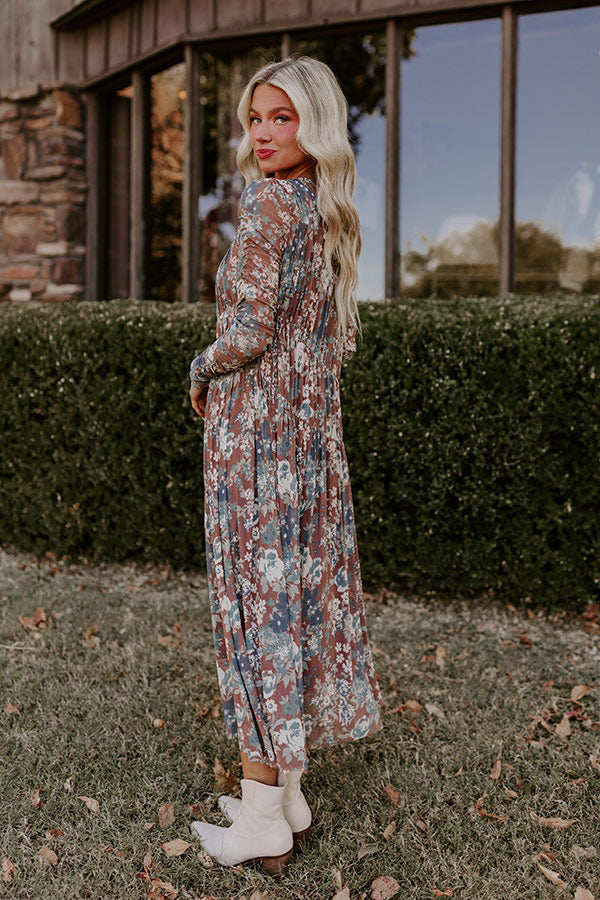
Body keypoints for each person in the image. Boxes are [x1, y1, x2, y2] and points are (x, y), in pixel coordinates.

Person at [188, 55, 383, 876]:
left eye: (283, 117)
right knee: (291, 601)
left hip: (256, 435)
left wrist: (200, 366)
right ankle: (287, 794)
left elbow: (248, 334)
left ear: (316, 123)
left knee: (253, 607)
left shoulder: (270, 204)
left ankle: (264, 817)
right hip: (304, 438)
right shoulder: (322, 207)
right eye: (256, 118)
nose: (263, 134)